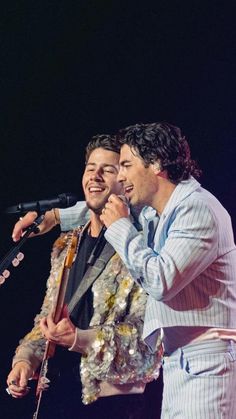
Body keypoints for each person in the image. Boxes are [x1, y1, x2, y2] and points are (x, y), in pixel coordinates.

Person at [6, 134, 162, 419]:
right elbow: (47, 319)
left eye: (108, 169)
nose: (96, 176)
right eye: (91, 167)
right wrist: (26, 359)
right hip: (58, 398)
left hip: (114, 404)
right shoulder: (67, 244)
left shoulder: (140, 249)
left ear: (126, 181)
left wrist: (80, 339)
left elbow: (146, 342)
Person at [96, 122, 236, 418]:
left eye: (126, 165)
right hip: (180, 362)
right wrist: (57, 217)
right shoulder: (159, 215)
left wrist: (121, 228)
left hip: (207, 362)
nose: (120, 177)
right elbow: (97, 205)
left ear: (156, 162)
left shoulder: (196, 208)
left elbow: (161, 280)